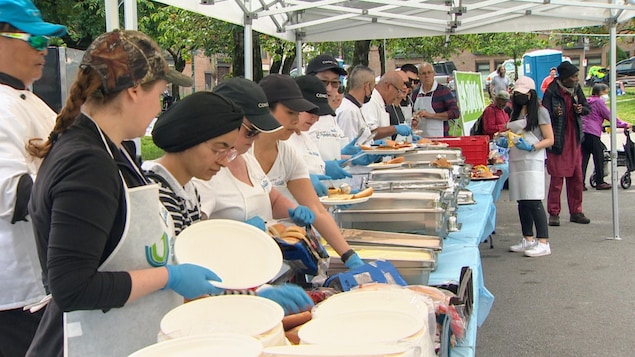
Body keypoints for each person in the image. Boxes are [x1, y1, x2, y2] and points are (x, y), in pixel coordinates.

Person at [24, 29, 226, 357]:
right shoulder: (87, 162)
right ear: (133, 91)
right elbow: (72, 288)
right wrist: (168, 277)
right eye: (159, 94)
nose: (159, 106)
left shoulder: (111, 152)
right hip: (87, 345)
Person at [142, 89, 313, 315]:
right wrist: (255, 297)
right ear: (190, 136)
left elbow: (202, 267)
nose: (224, 162)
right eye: (218, 149)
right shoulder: (157, 192)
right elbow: (184, 285)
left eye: (230, 151)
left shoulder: (189, 189)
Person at [0, 1, 66, 355]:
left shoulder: (31, 100)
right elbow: (11, 192)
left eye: (46, 42)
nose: (44, 50)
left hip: (44, 280)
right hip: (14, 295)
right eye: (35, 40)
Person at [256, 74, 364, 268]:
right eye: (290, 112)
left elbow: (316, 209)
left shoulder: (286, 152)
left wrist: (348, 255)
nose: (296, 120)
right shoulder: (240, 153)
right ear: (266, 109)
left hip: (285, 249)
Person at [496, 77, 555, 257]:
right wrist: (505, 141)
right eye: (516, 94)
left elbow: (549, 139)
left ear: (530, 94)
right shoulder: (514, 112)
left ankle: (543, 241)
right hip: (516, 159)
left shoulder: (540, 112)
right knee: (522, 200)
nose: (518, 97)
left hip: (532, 159)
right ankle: (527, 238)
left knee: (533, 200)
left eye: (522, 94)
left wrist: (531, 147)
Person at [542, 61, 591, 226]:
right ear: (564, 78)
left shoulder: (576, 90)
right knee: (557, 178)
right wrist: (554, 113)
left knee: (577, 177)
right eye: (574, 76)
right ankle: (554, 213)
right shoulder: (552, 91)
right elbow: (543, 113)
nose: (577, 79)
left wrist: (581, 109)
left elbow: (587, 108)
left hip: (575, 138)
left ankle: (576, 211)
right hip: (558, 139)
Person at [581, 83, 632, 190]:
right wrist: (624, 124)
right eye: (606, 92)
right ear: (600, 92)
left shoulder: (588, 101)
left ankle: (580, 183)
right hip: (592, 132)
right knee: (599, 155)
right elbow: (609, 115)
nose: (607, 94)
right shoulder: (599, 102)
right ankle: (600, 181)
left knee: (584, 158)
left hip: (583, 131)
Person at [305, 54, 350, 162]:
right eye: (323, 82)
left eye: (334, 83)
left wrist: (354, 158)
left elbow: (334, 155)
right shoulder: (301, 117)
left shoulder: (330, 116)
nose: (329, 88)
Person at [412, 62, 460, 137]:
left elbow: (455, 113)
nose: (427, 76)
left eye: (429, 72)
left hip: (440, 137)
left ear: (433, 74)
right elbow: (412, 113)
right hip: (420, 138)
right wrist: (414, 121)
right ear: (419, 76)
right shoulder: (416, 93)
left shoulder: (443, 91)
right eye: (423, 73)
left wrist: (431, 115)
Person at [362, 70, 413, 141]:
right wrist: (395, 129)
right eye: (398, 91)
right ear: (388, 86)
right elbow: (370, 132)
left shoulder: (382, 102)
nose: (398, 95)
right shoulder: (371, 101)